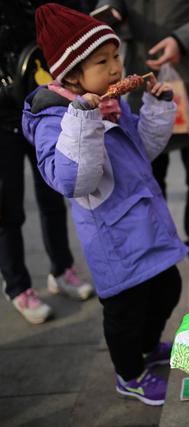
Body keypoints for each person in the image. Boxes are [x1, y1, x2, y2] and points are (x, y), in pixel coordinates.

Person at [23, 4, 188, 405]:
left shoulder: (113, 102)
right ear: (72, 75)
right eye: (103, 61)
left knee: (168, 287)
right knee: (125, 311)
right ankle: (128, 374)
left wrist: (158, 109)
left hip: (146, 218)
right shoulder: (54, 118)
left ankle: (147, 350)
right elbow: (72, 179)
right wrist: (83, 119)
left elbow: (142, 150)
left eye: (116, 56)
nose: (117, 68)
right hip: (113, 237)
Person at [96, 0, 189, 261]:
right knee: (147, 169)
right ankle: (154, 241)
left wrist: (181, 41)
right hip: (143, 69)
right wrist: (110, 10)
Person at [1, 0, 94, 325]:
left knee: (53, 188)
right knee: (6, 206)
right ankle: (17, 286)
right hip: (2, 113)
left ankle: (61, 268)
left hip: (40, 96)